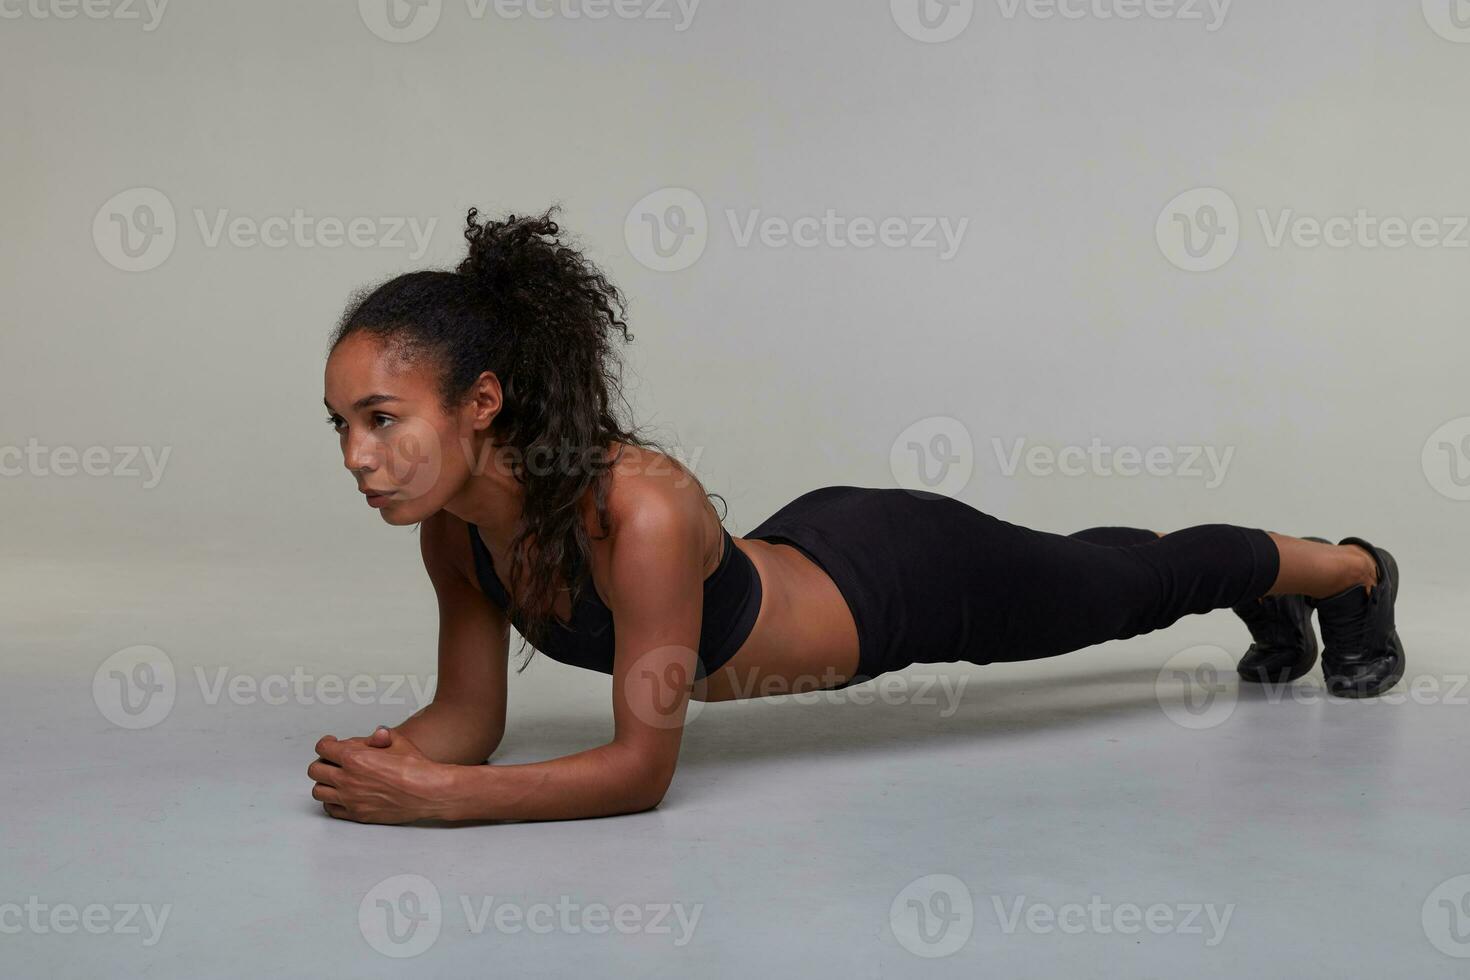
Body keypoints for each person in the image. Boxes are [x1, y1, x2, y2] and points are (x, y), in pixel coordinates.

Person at [308, 206, 1404, 825]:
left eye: (382, 417)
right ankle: (1278, 585)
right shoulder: (456, 528)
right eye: (340, 425)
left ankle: (1348, 570)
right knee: (1106, 569)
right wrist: (390, 756)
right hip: (809, 543)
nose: (359, 456)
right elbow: (469, 717)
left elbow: (641, 771)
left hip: (898, 580)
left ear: (482, 401)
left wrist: (443, 799)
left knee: (1120, 586)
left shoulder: (630, 508)